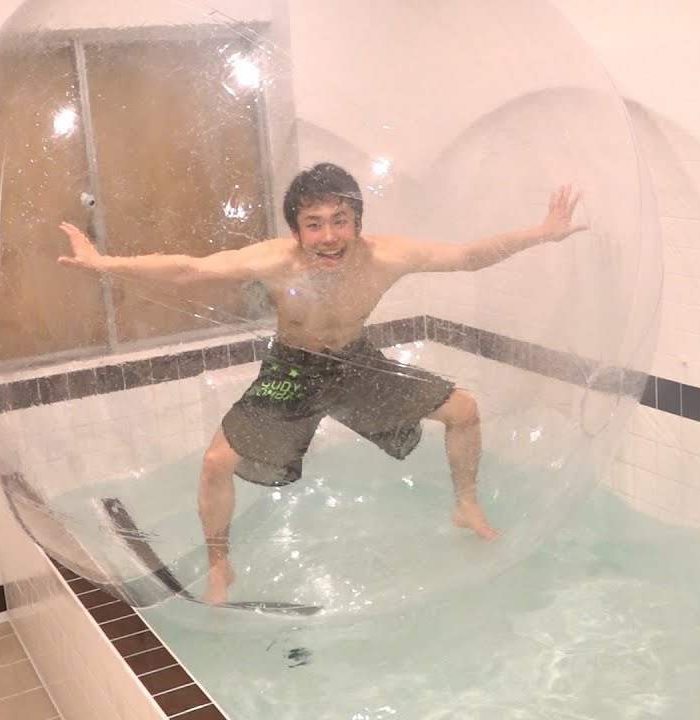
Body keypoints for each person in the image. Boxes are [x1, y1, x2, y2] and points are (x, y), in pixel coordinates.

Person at [58, 162, 586, 604]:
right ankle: (220, 563)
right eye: (314, 224)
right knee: (217, 462)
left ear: (357, 222)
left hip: (356, 364)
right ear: (296, 230)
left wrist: (542, 233)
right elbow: (190, 270)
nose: (329, 237)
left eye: (340, 221)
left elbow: (467, 257)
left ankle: (465, 503)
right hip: (293, 370)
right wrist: (102, 263)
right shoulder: (273, 261)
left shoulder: (388, 256)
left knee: (463, 411)